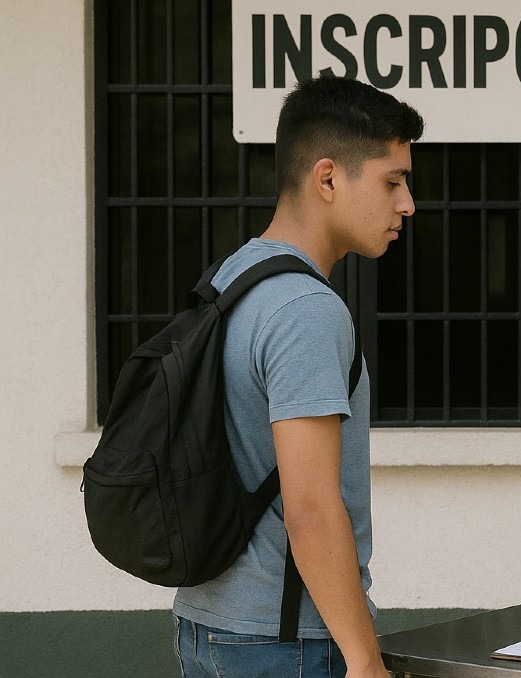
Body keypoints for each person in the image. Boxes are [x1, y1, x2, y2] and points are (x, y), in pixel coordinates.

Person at [172, 75, 424, 678]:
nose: (408, 204)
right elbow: (310, 507)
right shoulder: (305, 309)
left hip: (205, 623)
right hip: (284, 642)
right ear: (328, 179)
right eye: (392, 181)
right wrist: (365, 660)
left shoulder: (234, 278)